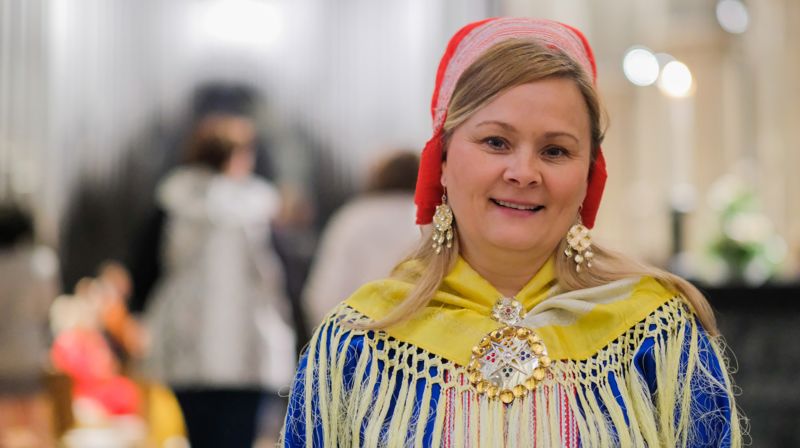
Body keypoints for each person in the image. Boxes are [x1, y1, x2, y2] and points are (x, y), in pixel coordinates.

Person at [281, 17, 743, 447]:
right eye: (496, 142)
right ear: (441, 161)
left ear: (589, 176)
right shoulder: (361, 342)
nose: (524, 172)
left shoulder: (655, 336)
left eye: (556, 150)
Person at [142, 113, 296, 448]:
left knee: (198, 436)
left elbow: (147, 267)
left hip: (187, 344)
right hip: (247, 346)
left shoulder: (172, 202)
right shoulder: (258, 207)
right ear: (239, 157)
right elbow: (283, 274)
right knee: (239, 437)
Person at [301, 150, 420, 327]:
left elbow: (324, 293)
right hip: (417, 336)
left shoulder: (352, 218)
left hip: (356, 335)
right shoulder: (428, 220)